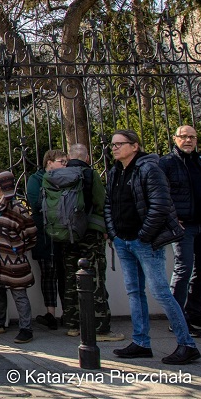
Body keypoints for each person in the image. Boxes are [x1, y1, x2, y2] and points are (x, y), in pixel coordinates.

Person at [105, 129, 200, 365]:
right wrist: (114, 233)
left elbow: (160, 205)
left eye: (119, 144)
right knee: (134, 292)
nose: (114, 148)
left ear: (134, 146)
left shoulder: (149, 169)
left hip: (144, 241)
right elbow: (108, 204)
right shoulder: (115, 171)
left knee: (160, 292)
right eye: (112, 145)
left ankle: (187, 344)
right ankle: (141, 342)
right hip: (123, 240)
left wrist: (144, 235)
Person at [63, 144, 123, 341]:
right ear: (87, 158)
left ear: (68, 157)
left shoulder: (58, 175)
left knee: (71, 278)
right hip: (89, 232)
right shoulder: (90, 174)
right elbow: (100, 201)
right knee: (94, 278)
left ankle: (73, 325)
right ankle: (100, 328)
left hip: (66, 234)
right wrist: (105, 228)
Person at [0, 171, 37, 343]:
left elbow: (31, 232)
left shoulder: (17, 208)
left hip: (13, 258)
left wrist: (17, 248)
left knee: (19, 293)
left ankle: (26, 328)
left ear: (3, 185)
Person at [160, 125, 201, 335]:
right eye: (184, 136)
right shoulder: (167, 163)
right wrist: (171, 218)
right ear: (175, 138)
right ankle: (177, 319)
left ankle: (194, 313)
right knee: (184, 268)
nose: (188, 140)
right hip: (183, 226)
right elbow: (160, 193)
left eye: (192, 137)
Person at [25, 149, 67, 330]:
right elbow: (36, 204)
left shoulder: (68, 178)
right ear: (49, 162)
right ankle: (51, 313)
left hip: (64, 231)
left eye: (66, 162)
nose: (65, 165)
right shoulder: (36, 179)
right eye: (61, 161)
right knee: (48, 273)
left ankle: (68, 312)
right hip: (44, 231)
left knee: (65, 272)